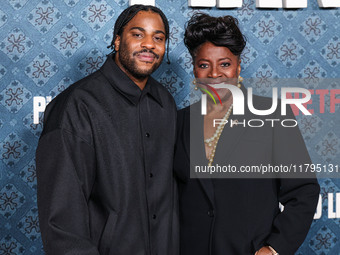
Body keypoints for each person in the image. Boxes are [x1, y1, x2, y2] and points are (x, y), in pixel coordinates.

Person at [36, 5, 178, 255]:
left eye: (158, 37)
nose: (149, 44)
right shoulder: (77, 105)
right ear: (117, 40)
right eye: (137, 34)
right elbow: (61, 220)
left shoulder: (165, 103)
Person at [174, 13, 320, 255]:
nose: (214, 74)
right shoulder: (178, 121)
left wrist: (274, 249)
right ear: (194, 69)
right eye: (204, 65)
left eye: (224, 64)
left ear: (238, 66)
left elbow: (304, 190)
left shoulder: (272, 115)